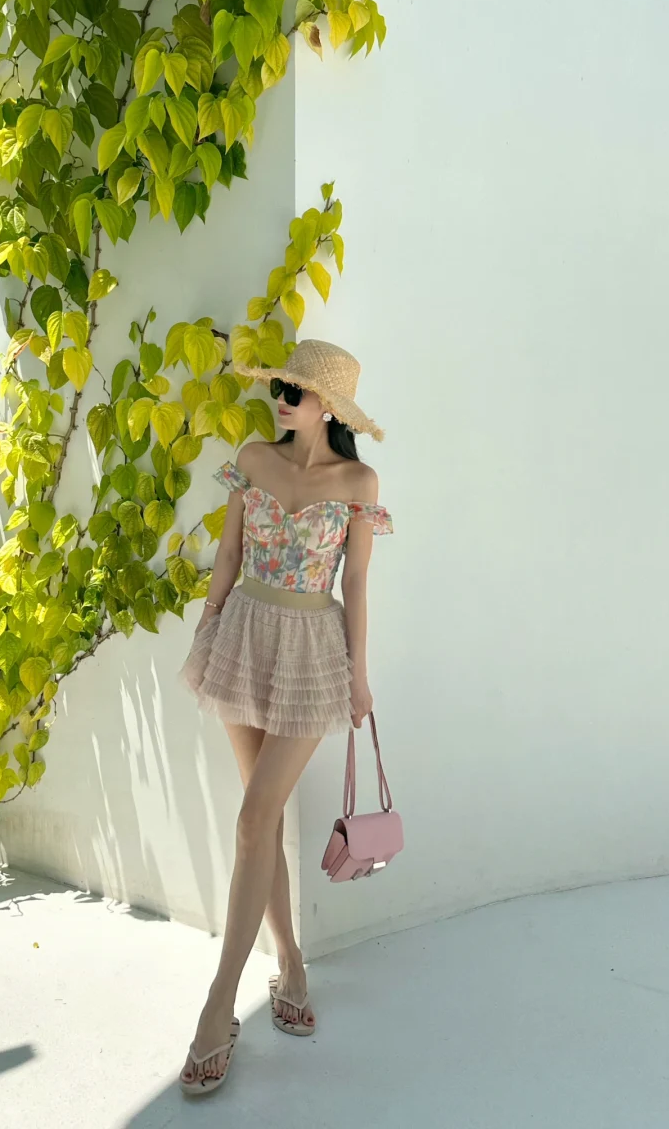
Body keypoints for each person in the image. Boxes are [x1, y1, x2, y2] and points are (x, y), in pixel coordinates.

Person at [177, 339, 393, 1096]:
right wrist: (207, 624)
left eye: (295, 392)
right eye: (279, 387)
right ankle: (291, 965)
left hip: (311, 649)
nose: (282, 399)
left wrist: (359, 676)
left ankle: (216, 1008)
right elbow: (229, 554)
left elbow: (357, 582)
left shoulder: (358, 481)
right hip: (242, 633)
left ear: (328, 407)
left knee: (251, 817)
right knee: (258, 822)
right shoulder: (253, 459)